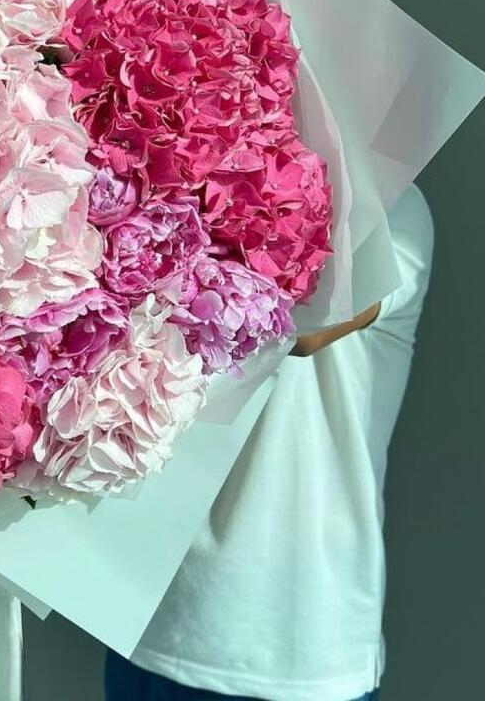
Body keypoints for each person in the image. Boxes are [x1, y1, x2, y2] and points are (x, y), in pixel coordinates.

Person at [105, 185, 434, 701]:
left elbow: (302, 327)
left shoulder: (394, 208)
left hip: (293, 647)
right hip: (152, 613)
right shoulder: (191, 176)